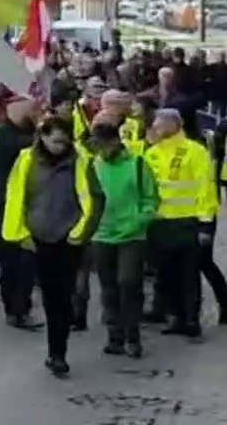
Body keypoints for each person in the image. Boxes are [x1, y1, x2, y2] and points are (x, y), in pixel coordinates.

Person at [2, 116, 104, 378]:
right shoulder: (26, 160)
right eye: (55, 141)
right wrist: (19, 234)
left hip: (69, 238)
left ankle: (59, 351)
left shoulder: (80, 160)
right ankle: (54, 350)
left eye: (64, 141)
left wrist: (79, 234)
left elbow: (93, 200)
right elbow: (15, 196)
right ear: (43, 137)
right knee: (50, 295)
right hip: (37, 238)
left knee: (64, 294)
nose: (60, 146)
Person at [143, 108, 217, 339]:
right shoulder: (152, 153)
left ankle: (191, 319)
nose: (155, 128)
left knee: (188, 273)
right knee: (167, 272)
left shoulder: (194, 151)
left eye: (158, 124)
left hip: (187, 221)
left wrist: (205, 223)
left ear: (173, 124)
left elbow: (205, 188)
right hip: (160, 222)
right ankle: (175, 315)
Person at [89, 120, 157, 359]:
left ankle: (133, 336)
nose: (102, 150)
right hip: (102, 234)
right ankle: (115, 335)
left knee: (128, 283)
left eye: (105, 145)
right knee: (109, 287)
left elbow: (151, 199)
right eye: (97, 146)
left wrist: (139, 221)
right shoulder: (93, 166)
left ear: (116, 142)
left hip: (132, 235)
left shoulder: (137, 164)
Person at [0, 95, 41, 330]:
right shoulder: (1, 134)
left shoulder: (24, 134)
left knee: (26, 263)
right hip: (4, 208)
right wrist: (40, 132)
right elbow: (25, 147)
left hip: (26, 207)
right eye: (31, 110)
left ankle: (20, 308)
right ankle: (15, 309)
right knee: (11, 262)